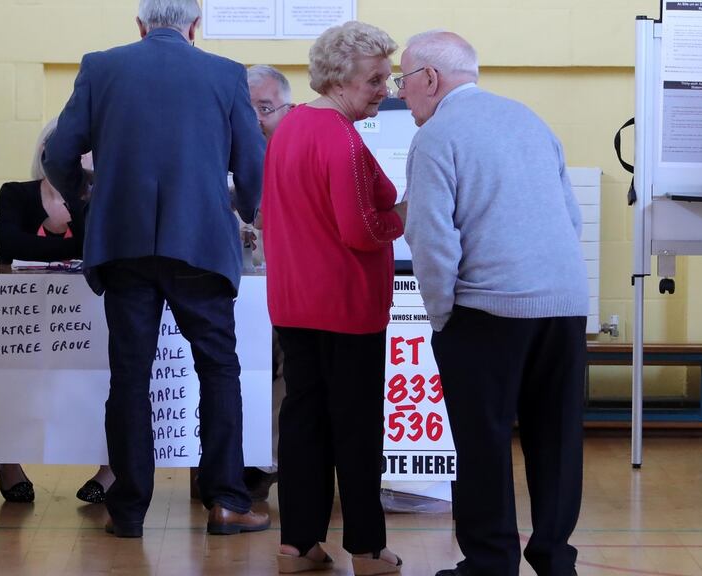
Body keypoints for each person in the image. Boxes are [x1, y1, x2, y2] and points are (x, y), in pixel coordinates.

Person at [42, 0, 269, 538]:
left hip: (123, 244)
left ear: (140, 26)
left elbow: (59, 152)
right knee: (218, 369)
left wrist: (86, 205)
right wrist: (246, 211)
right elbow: (253, 161)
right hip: (202, 246)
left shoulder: (100, 66)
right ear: (195, 27)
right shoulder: (225, 73)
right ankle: (226, 501)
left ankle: (128, 511)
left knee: (130, 375)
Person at [398, 31, 589, 576]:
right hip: (565, 301)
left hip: (489, 310)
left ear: (430, 79)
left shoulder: (437, 136)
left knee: (483, 441)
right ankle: (556, 560)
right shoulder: (529, 119)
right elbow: (570, 218)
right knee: (556, 440)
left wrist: (441, 316)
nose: (401, 93)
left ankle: (490, 562)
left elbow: (432, 239)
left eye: (403, 80)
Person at [262, 21, 406, 576]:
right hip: (346, 305)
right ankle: (368, 549)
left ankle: (297, 545)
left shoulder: (291, 128)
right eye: (374, 79)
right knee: (356, 427)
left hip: (295, 301)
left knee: (303, 422)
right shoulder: (342, 137)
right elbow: (360, 229)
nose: (385, 90)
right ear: (340, 78)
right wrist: (400, 219)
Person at [0, 118, 115, 505]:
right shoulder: (15, 194)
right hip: (20, 316)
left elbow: (94, 244)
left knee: (109, 375)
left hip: (85, 317)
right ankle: (7, 464)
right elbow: (9, 242)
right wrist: (72, 249)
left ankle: (110, 471)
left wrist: (78, 199)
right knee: (1, 373)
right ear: (44, 155)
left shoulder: (97, 199)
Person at [242, 64, 294, 501]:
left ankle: (268, 462)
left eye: (265, 108)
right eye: (247, 109)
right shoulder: (223, 155)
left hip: (288, 288)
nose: (255, 118)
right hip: (236, 290)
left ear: (286, 108)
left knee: (283, 372)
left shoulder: (297, 152)